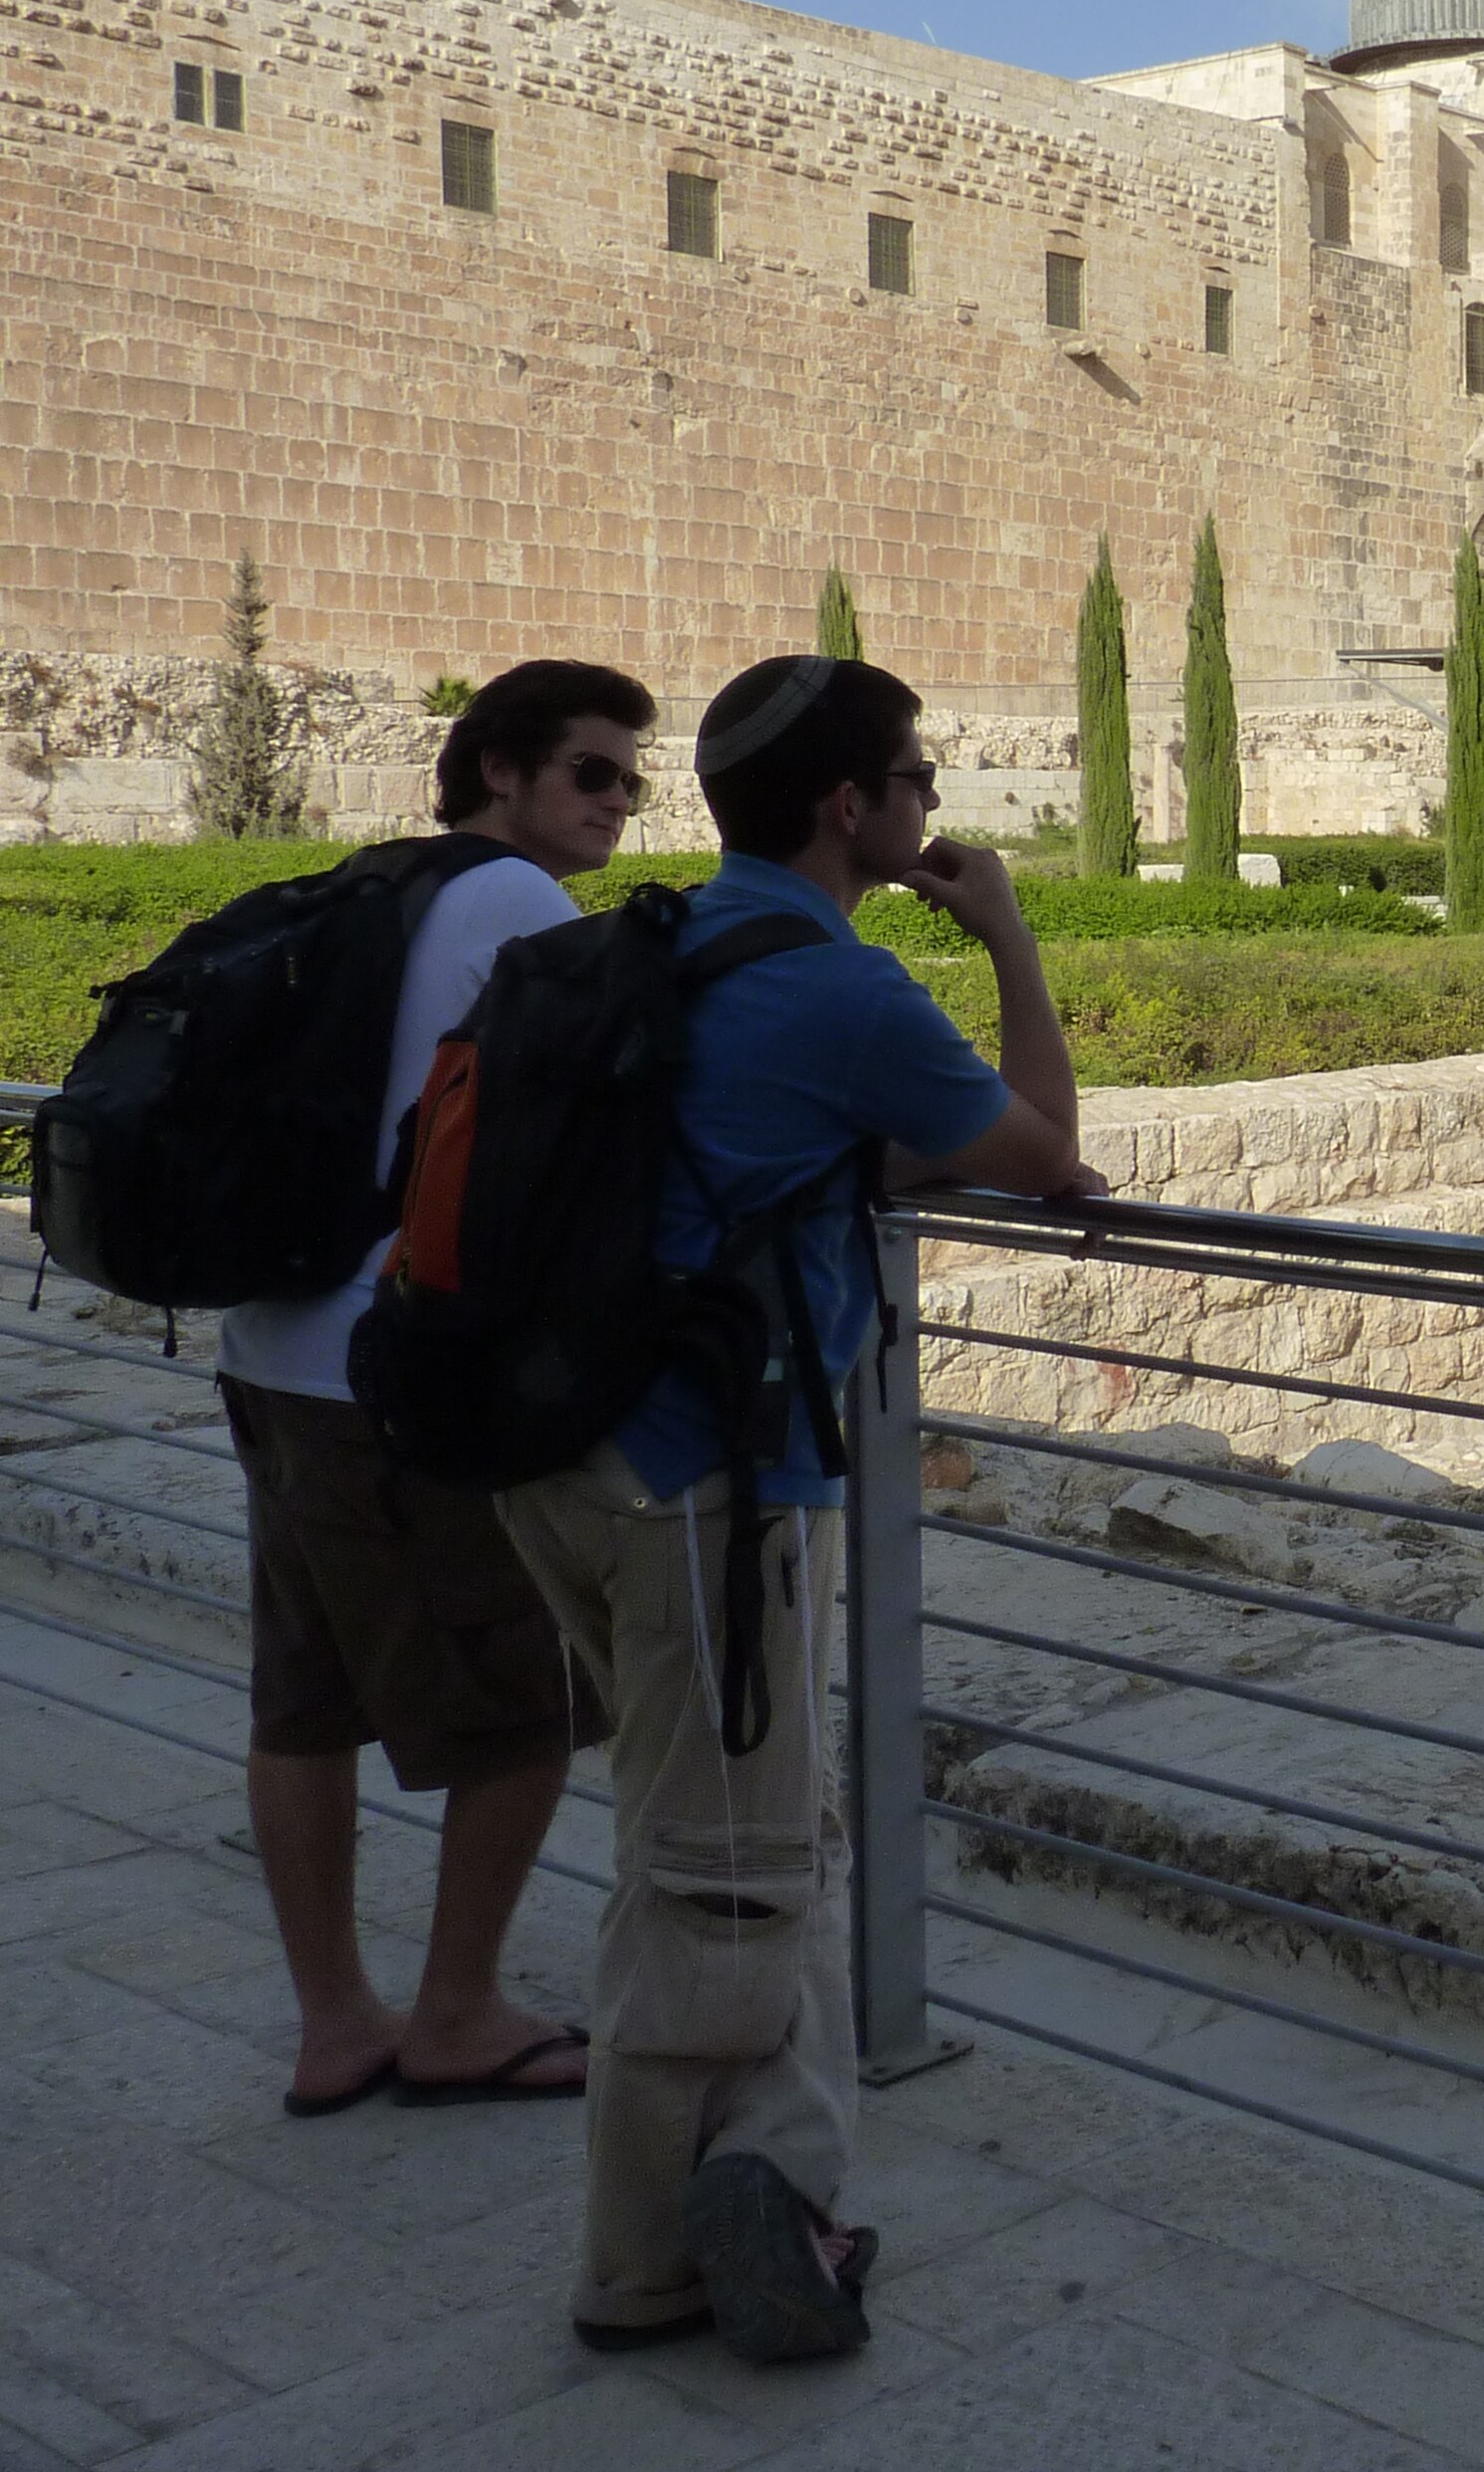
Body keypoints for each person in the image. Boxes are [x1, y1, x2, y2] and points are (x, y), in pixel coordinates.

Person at [495, 653, 1099, 2361]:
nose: (928, 805)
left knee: (748, 1834)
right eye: (915, 778)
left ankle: (778, 2176)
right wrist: (1006, 940)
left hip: (574, 1456)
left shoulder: (684, 939)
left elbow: (770, 1147)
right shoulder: (840, 992)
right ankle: (639, 2265)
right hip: (702, 1486)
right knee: (721, 1874)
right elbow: (1049, 1142)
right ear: (853, 810)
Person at [217, 659, 656, 2117]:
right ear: (498, 773)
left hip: (272, 1350)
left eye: (629, 779)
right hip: (392, 1373)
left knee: (305, 1700)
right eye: (591, 774)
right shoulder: (518, 906)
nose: (619, 803)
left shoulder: (370, 886)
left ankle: (336, 2020)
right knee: (526, 1701)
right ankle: (459, 2012)